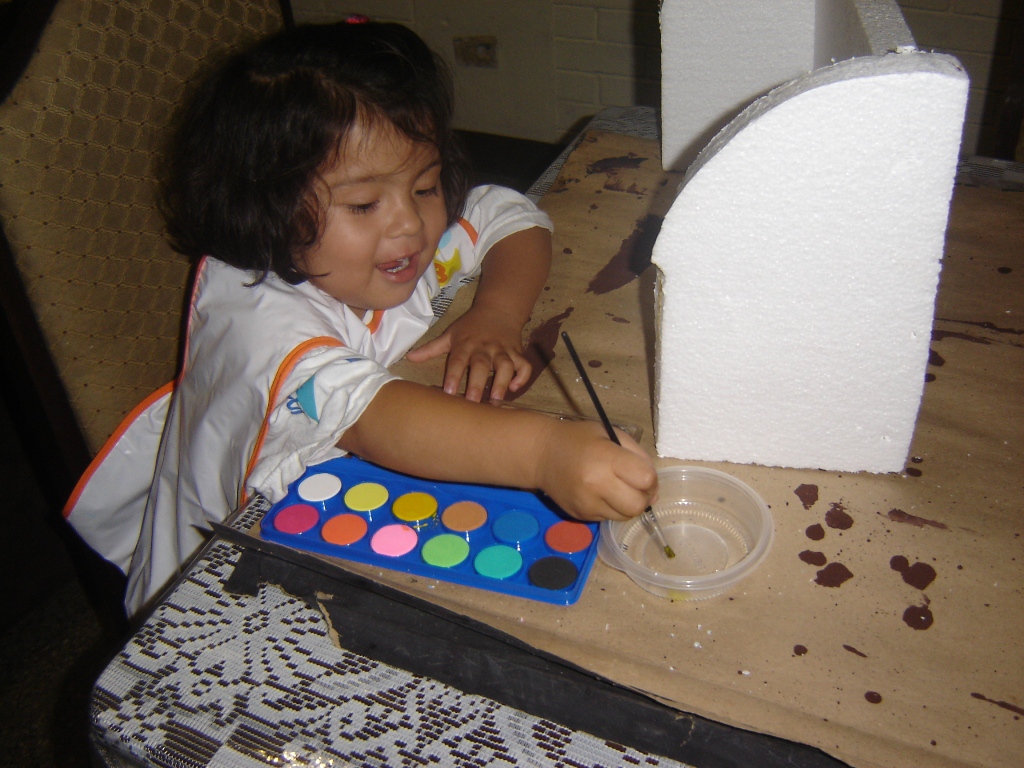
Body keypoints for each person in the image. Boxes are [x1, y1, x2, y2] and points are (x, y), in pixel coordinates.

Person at [64, 20, 657, 617]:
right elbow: (372, 417)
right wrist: (546, 452)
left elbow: (508, 214)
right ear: (268, 210)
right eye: (364, 204)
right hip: (212, 583)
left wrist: (497, 313)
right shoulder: (261, 325)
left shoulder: (385, 245)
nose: (411, 224)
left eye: (425, 186)